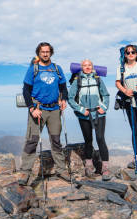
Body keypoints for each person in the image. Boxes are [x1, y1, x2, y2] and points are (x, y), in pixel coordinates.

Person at [18, 42, 70, 185]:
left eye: (47, 51)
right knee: (32, 140)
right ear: (39, 53)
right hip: (38, 109)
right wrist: (31, 108)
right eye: (43, 52)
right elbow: (26, 90)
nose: (45, 54)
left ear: (51, 53)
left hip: (54, 110)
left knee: (56, 141)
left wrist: (64, 99)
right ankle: (25, 172)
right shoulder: (33, 69)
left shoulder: (57, 69)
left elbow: (63, 87)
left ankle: (61, 169)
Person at [68, 59, 111, 180]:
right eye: (85, 65)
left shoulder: (97, 79)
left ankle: (105, 167)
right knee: (88, 140)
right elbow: (70, 98)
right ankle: (89, 165)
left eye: (89, 65)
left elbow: (106, 95)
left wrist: (103, 107)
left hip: (99, 114)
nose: (87, 67)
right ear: (81, 68)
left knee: (100, 138)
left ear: (92, 67)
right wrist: (81, 110)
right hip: (84, 115)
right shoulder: (77, 81)